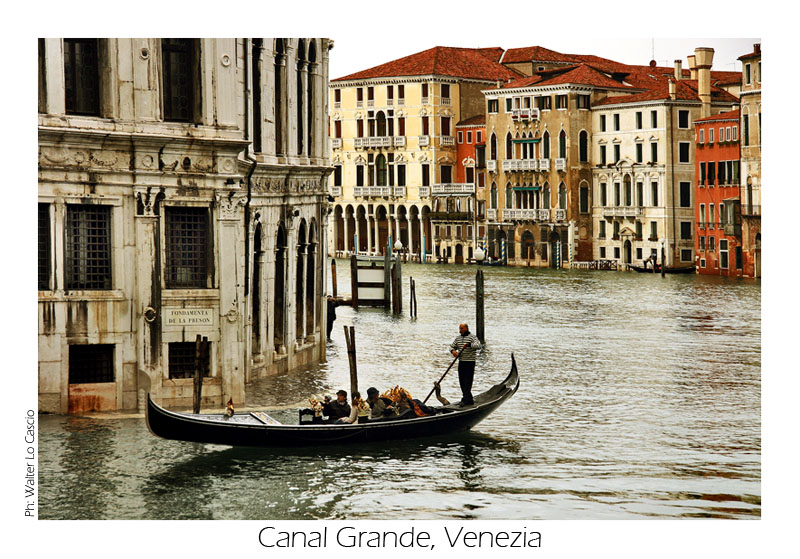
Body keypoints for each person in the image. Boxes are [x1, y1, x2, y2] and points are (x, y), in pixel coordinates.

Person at [450, 322, 481, 406]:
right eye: (459, 329)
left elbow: (478, 346)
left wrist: (469, 345)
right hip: (462, 362)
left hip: (470, 362)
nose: (460, 331)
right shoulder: (458, 338)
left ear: (466, 328)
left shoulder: (472, 337)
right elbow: (452, 346)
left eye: (462, 329)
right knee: (462, 381)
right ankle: (468, 399)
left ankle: (465, 399)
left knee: (468, 381)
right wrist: (453, 351)